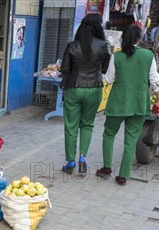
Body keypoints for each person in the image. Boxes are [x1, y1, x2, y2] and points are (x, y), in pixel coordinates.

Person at [96, 25, 159, 186]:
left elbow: (109, 79)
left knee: (109, 134)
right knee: (131, 140)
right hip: (139, 102)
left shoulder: (117, 56)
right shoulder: (148, 55)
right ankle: (123, 175)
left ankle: (106, 168)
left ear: (123, 38)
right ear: (139, 39)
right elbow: (155, 81)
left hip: (118, 101)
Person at [59, 13, 111, 174]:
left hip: (74, 88)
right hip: (94, 88)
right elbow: (104, 69)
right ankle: (82, 157)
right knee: (87, 125)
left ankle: (70, 162)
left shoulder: (72, 45)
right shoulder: (104, 45)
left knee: (71, 126)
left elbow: (64, 69)